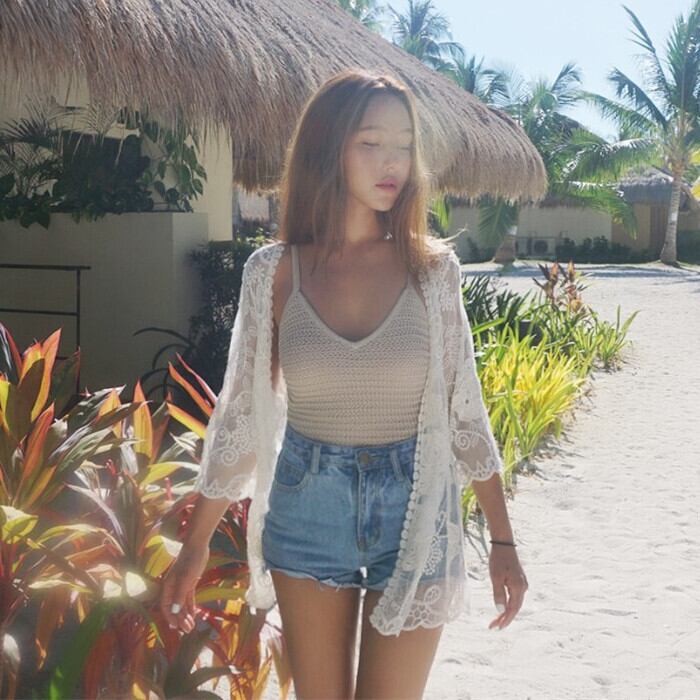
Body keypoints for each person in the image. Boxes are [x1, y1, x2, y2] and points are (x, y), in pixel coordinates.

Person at [160, 69, 528, 699]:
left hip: (416, 511)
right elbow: (242, 415)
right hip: (309, 504)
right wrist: (195, 544)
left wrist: (502, 540)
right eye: (371, 142)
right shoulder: (274, 273)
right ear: (329, 146)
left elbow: (464, 412)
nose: (393, 162)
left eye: (405, 145)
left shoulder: (433, 271)